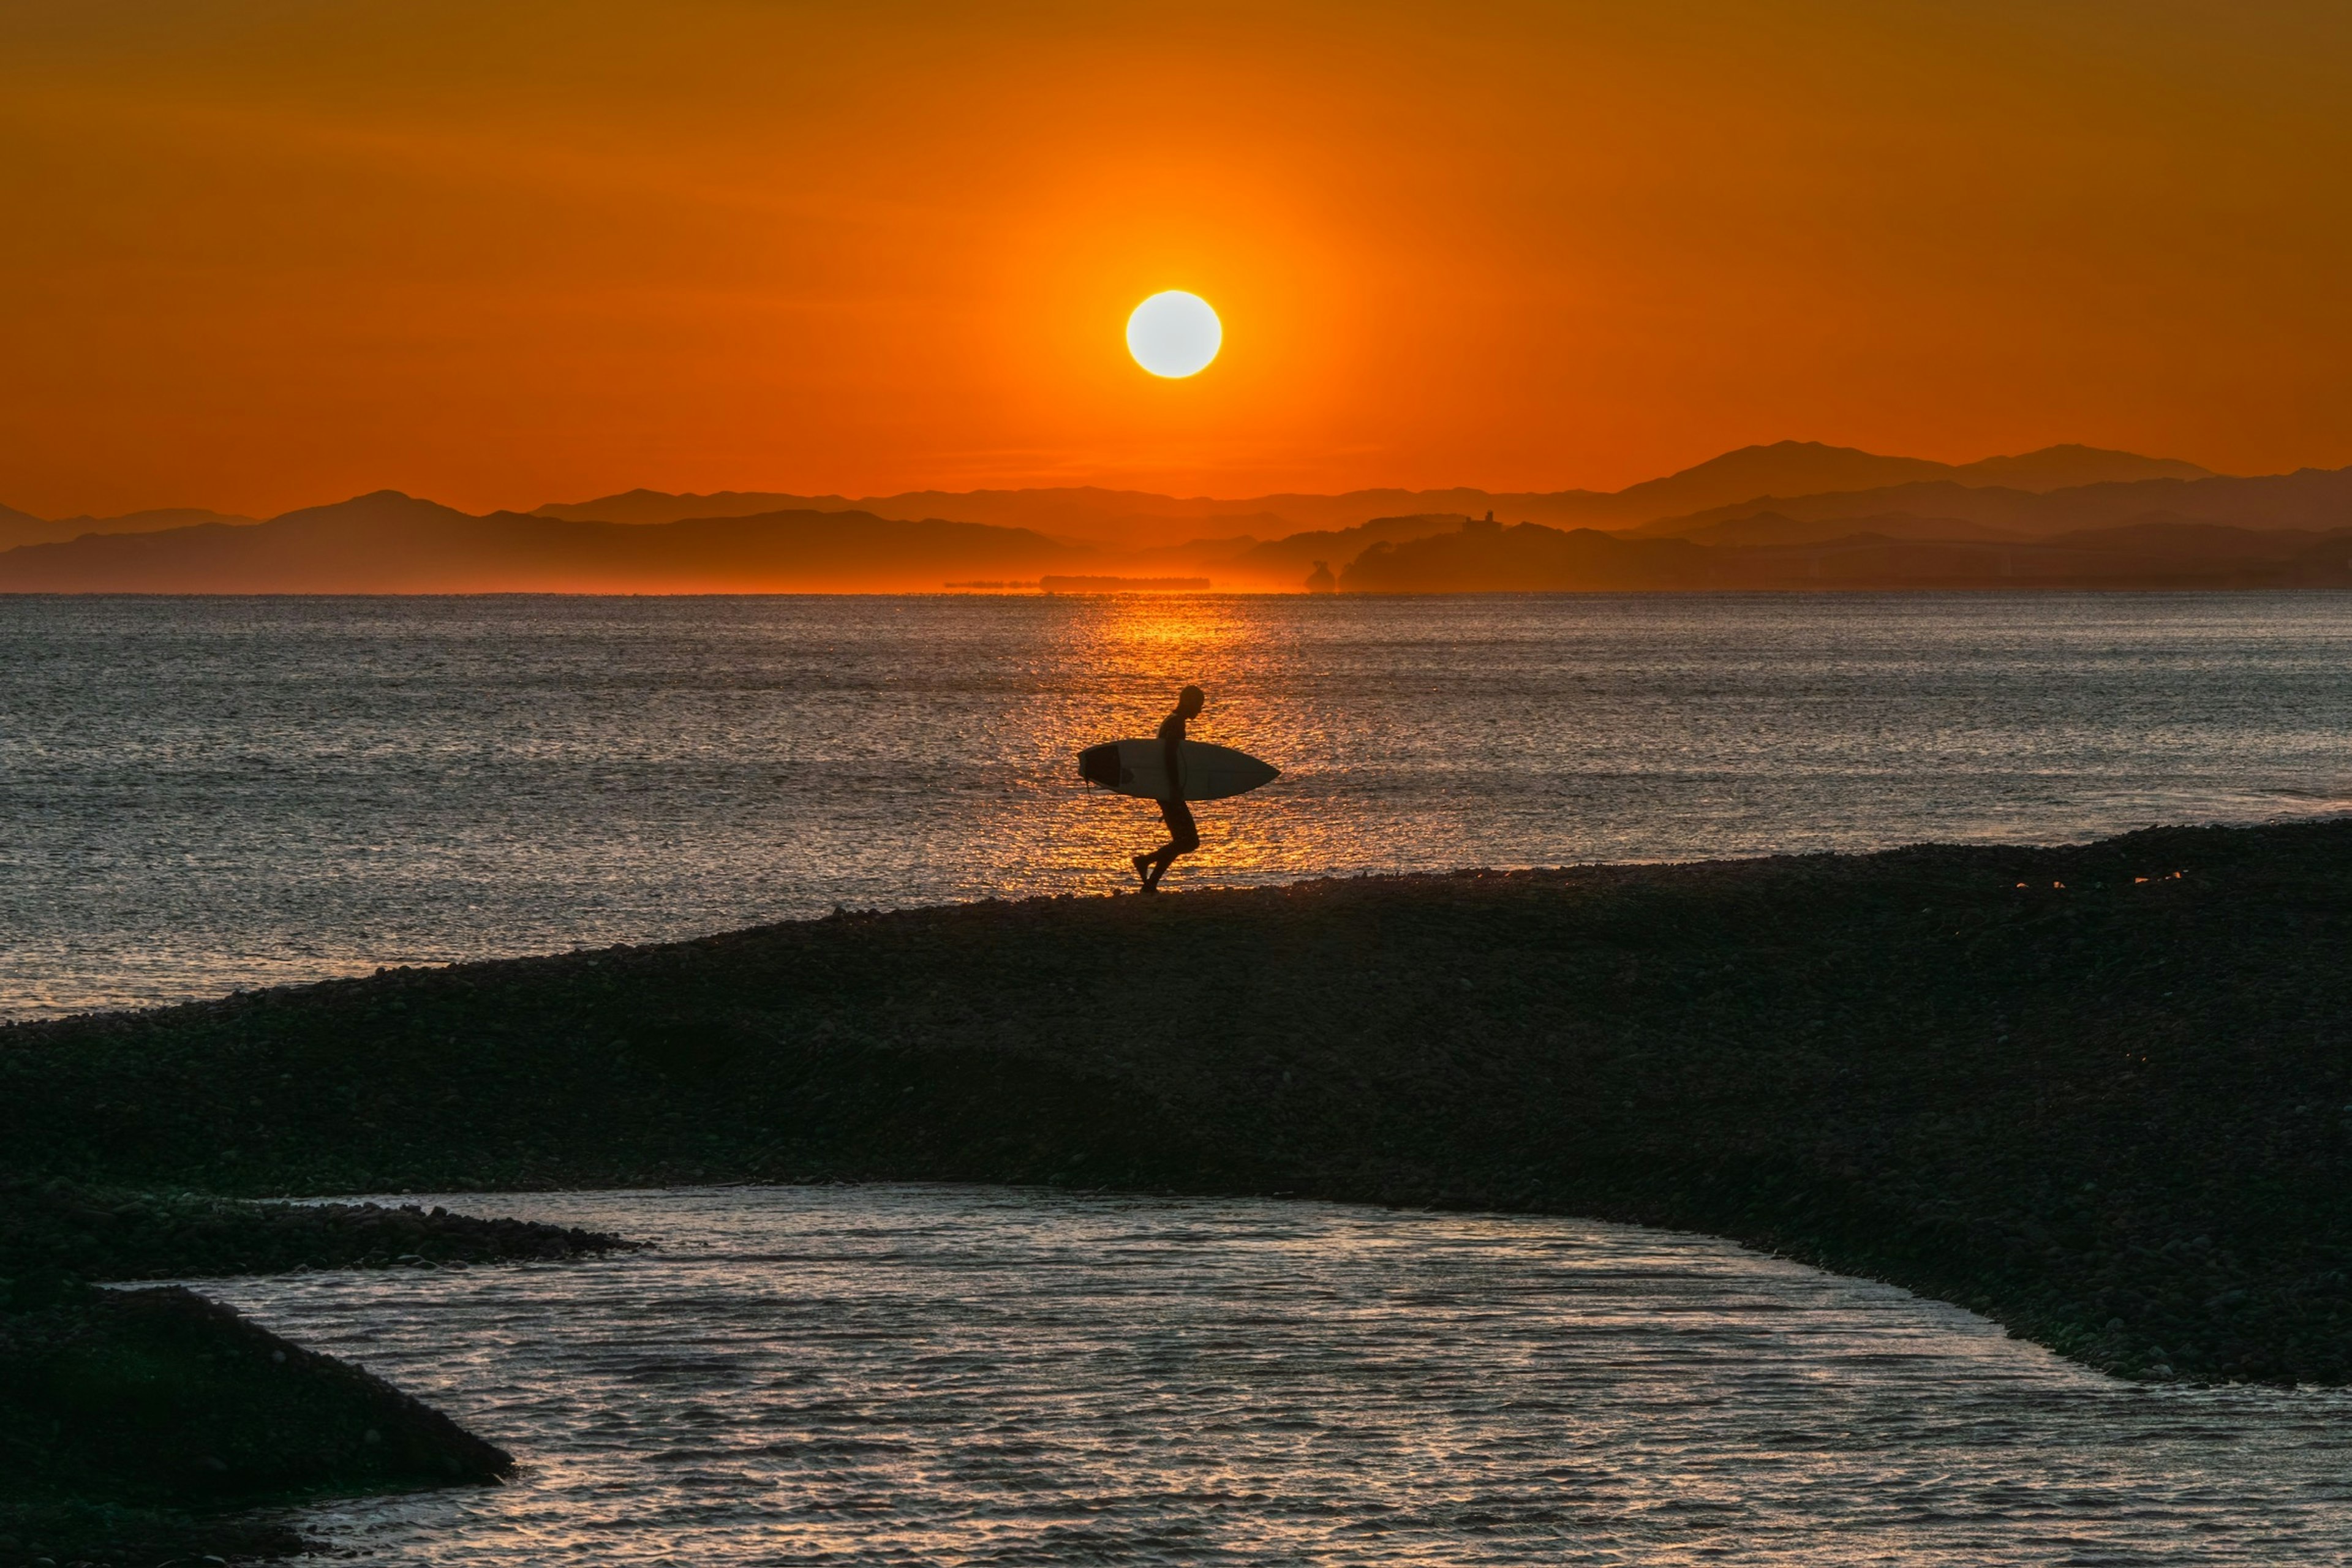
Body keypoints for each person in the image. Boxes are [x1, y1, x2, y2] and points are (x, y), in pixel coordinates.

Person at [1133, 685, 1205, 892]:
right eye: (1198, 706)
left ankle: (1151, 883)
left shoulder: (1171, 720)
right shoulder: (1177, 724)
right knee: (1190, 841)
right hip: (1168, 789)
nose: (1199, 711)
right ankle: (1145, 861)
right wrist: (1174, 788)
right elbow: (1169, 758)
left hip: (1165, 789)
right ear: (1189, 702)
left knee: (1180, 841)